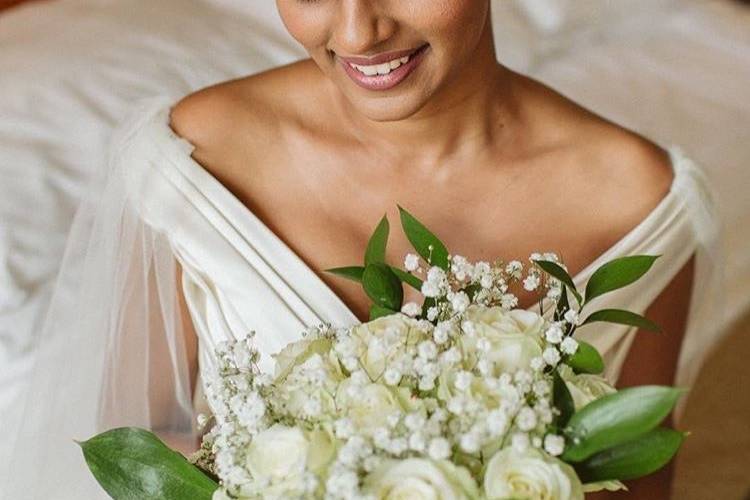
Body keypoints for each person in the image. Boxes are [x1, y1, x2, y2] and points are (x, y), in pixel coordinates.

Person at [4, 1, 721, 499]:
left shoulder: (640, 200)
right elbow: (144, 442)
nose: (358, 31)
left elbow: (640, 479)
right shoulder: (197, 158)